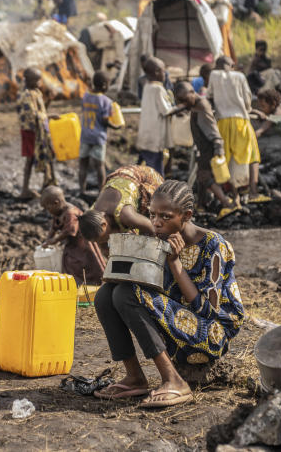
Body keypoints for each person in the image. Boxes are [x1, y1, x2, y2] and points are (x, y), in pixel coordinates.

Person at [93, 180, 245, 408]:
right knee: (106, 294)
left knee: (126, 294)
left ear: (186, 215)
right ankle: (135, 376)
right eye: (152, 215)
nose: (156, 223)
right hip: (176, 326)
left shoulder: (213, 246)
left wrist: (175, 264)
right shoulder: (160, 239)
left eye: (165, 216)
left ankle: (174, 380)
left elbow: (208, 312)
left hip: (211, 334)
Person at [172, 81, 240, 218]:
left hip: (210, 146)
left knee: (206, 176)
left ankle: (228, 204)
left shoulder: (201, 106)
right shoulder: (196, 104)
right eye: (181, 102)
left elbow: (212, 127)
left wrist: (218, 146)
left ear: (192, 92)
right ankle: (201, 205)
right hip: (204, 147)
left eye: (185, 100)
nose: (184, 104)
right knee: (203, 177)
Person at [208, 56, 268, 203]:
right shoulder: (239, 76)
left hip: (222, 122)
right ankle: (253, 192)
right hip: (241, 121)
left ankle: (234, 197)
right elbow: (247, 99)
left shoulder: (213, 76)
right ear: (232, 66)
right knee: (252, 155)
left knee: (226, 158)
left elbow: (209, 96)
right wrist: (247, 109)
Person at [78, 165, 163, 246]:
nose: (107, 241)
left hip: (143, 178)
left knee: (162, 224)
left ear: (104, 224)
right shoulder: (92, 219)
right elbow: (105, 250)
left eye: (106, 239)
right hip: (118, 181)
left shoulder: (126, 215)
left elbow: (152, 228)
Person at [40, 186, 105, 285]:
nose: (48, 211)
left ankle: (89, 286)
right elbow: (53, 228)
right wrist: (48, 239)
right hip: (71, 246)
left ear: (56, 203)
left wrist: (54, 240)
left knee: (86, 266)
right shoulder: (57, 212)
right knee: (69, 265)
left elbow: (70, 230)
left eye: (48, 208)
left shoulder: (71, 213)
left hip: (82, 245)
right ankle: (73, 285)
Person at [17, 67, 57, 198]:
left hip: (38, 129)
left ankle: (47, 183)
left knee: (46, 155)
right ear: (29, 81)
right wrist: (48, 117)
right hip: (31, 131)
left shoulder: (36, 92)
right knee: (30, 158)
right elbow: (34, 116)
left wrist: (49, 100)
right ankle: (25, 189)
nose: (40, 82)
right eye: (37, 80)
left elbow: (41, 110)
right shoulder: (26, 95)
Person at [79, 71, 118, 194]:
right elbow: (105, 120)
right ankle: (101, 192)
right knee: (100, 166)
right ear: (105, 85)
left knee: (83, 164)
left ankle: (82, 190)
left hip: (85, 135)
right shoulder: (106, 101)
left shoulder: (85, 96)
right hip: (98, 137)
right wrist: (115, 127)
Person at [137, 58, 174, 176]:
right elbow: (166, 110)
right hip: (155, 138)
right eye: (164, 71)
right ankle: (155, 191)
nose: (165, 74)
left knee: (144, 166)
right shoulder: (158, 89)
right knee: (155, 170)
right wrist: (183, 106)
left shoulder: (147, 86)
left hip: (146, 136)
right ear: (157, 72)